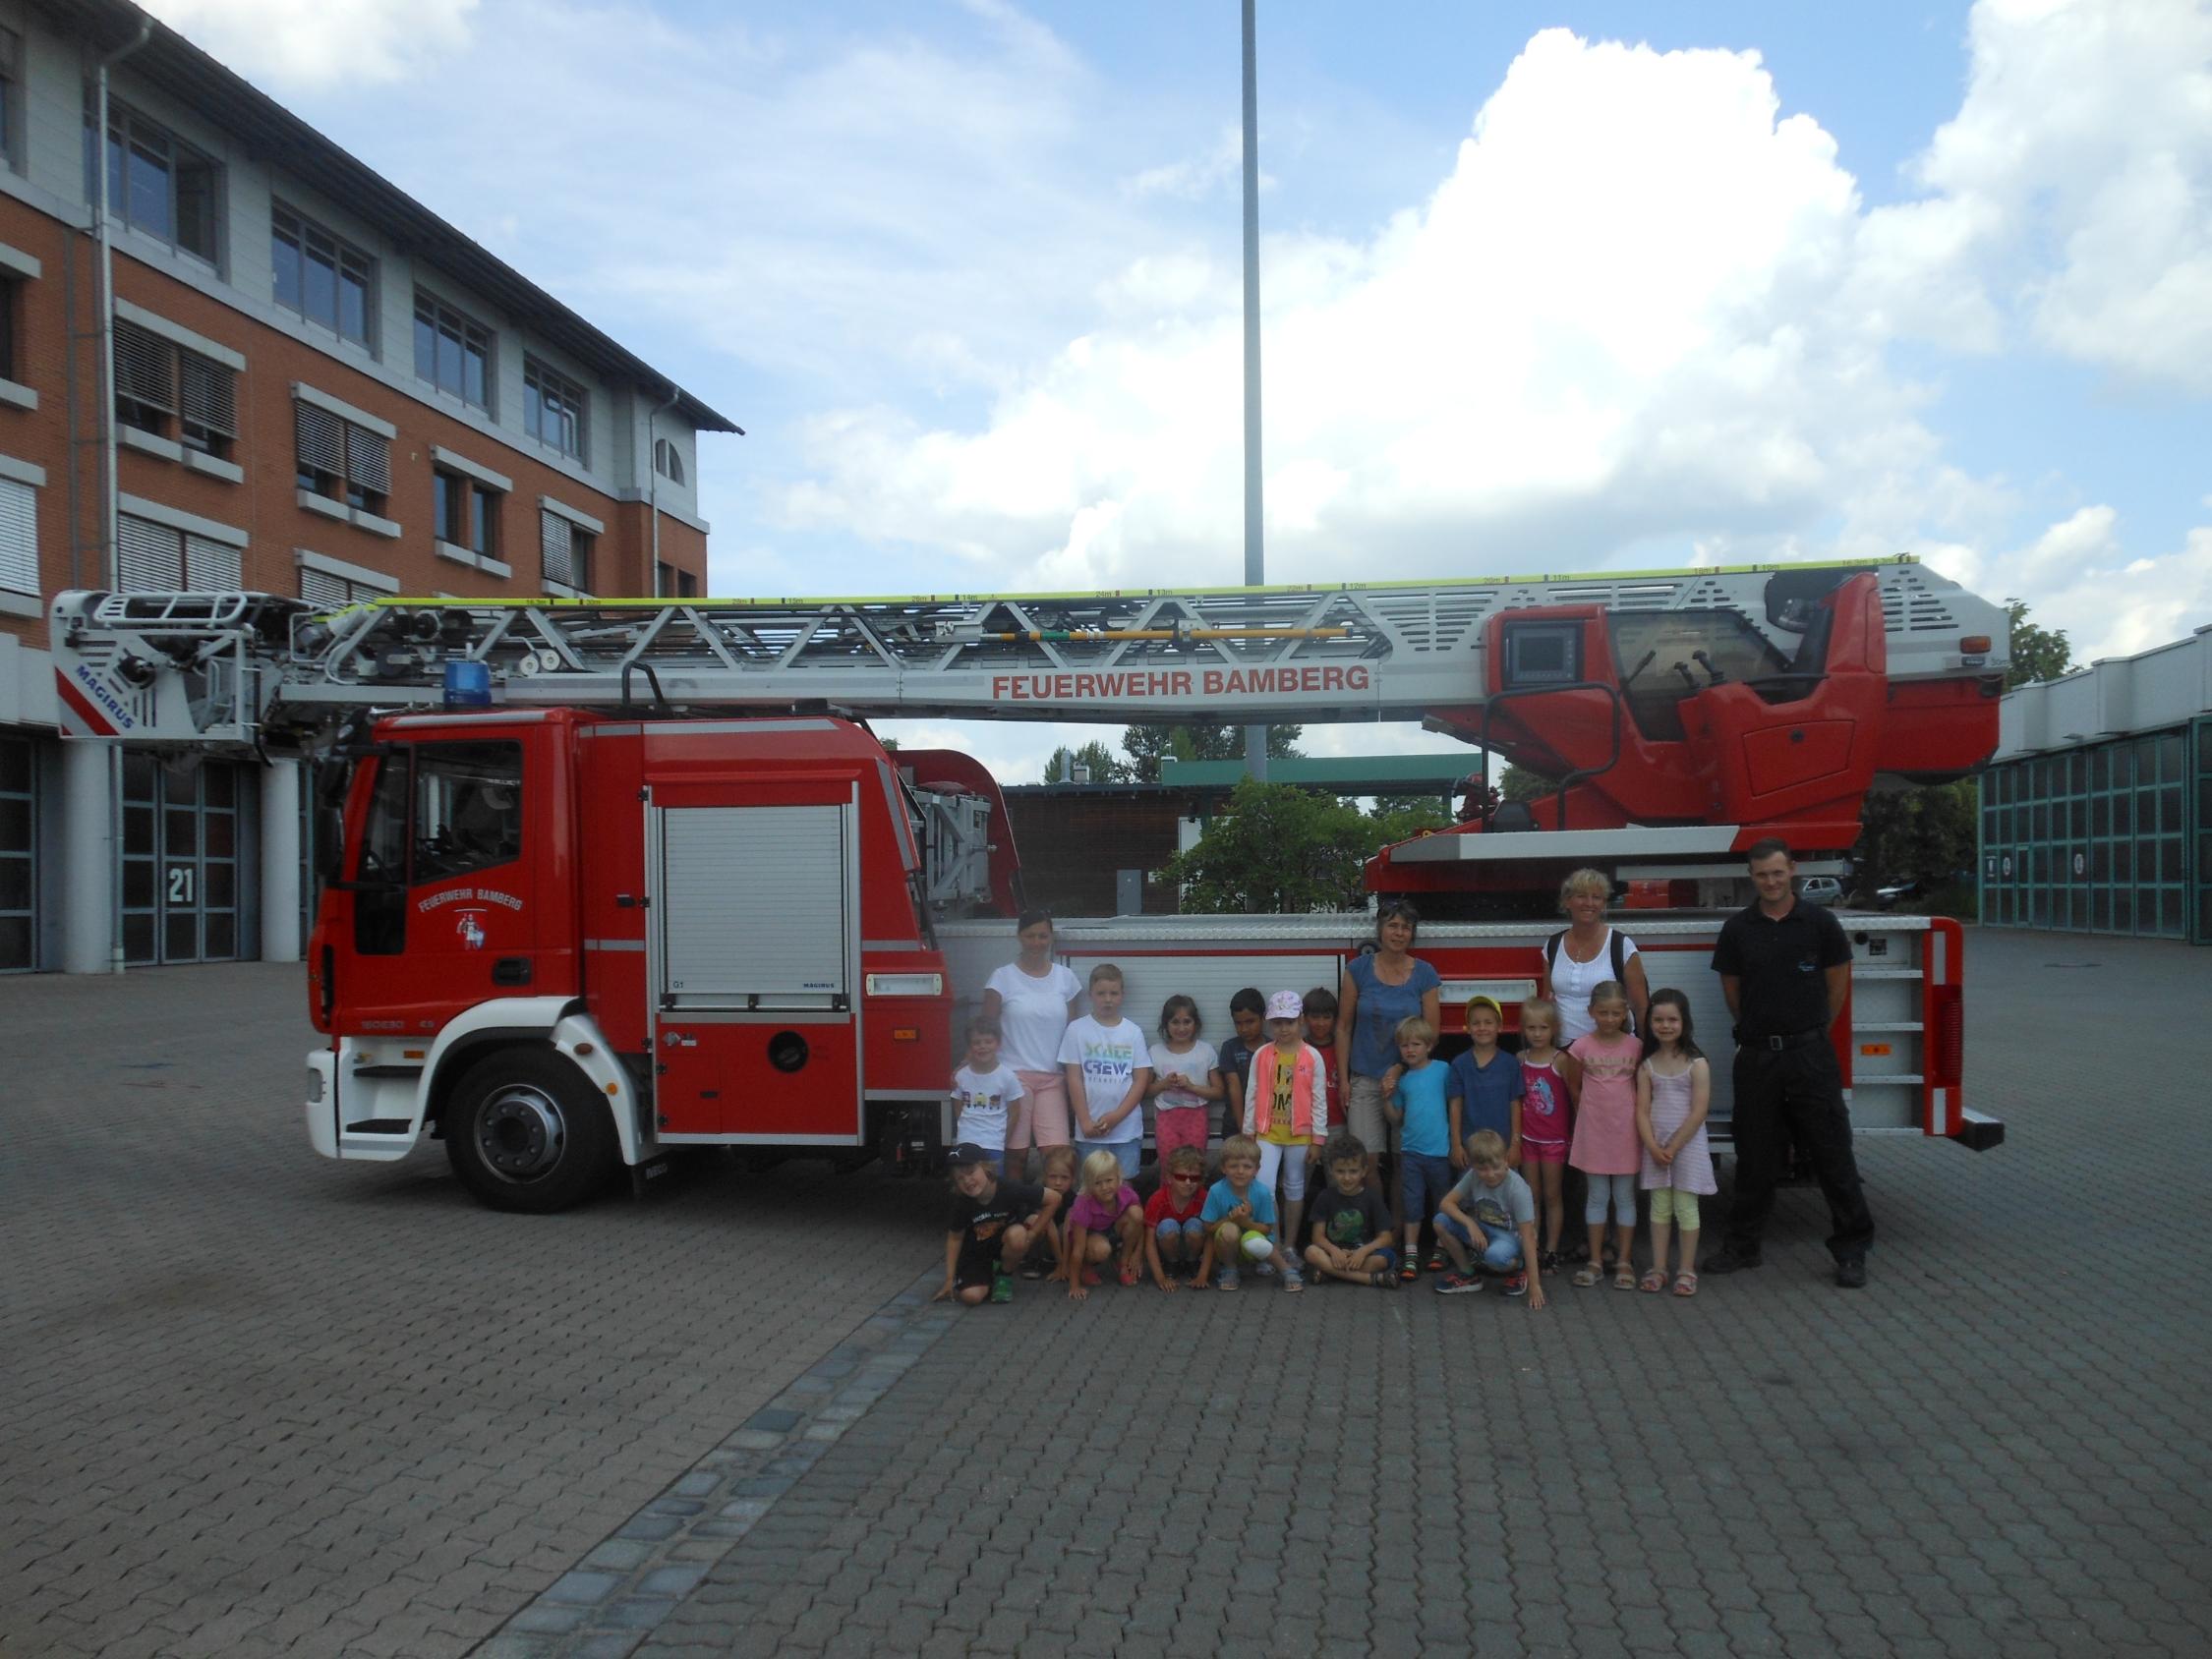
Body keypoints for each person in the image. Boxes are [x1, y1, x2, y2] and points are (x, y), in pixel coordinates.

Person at [1705, 838, 1875, 1288]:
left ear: (1792, 870)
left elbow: (1836, 989)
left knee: (1832, 1153)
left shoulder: (1820, 924)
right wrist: (1763, 1032)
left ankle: (1852, 1250)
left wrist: (1807, 1032)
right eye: (1762, 874)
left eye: (1778, 872)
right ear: (1751, 876)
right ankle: (1743, 1248)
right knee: (1755, 1158)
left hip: (1810, 1055)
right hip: (1759, 1055)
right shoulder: (1738, 929)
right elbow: (1732, 993)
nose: (1771, 881)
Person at [1337, 901, 1442, 1222]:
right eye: (1393, 925)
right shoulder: (1358, 970)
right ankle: (1378, 1225)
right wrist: (1343, 1079)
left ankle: (1398, 1232)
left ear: (1412, 933)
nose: (1399, 932)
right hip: (1365, 1079)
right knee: (1365, 1162)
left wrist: (1400, 1067)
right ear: (1380, 929)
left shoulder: (1424, 973)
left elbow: (1432, 1032)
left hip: (1407, 1082)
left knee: (1403, 1162)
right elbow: (1343, 1027)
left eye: (1405, 927)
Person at [982, 910, 1083, 1179]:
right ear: (1019, 937)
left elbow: (1072, 1032)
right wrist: (970, 1067)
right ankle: (1015, 1212)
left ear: (1051, 937)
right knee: (1016, 1153)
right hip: (1014, 1078)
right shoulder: (1002, 978)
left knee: (1057, 1154)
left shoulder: (1066, 979)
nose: (1036, 942)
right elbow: (986, 1030)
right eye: (1030, 936)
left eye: (1042, 936)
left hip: (1052, 1077)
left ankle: (1050, 1215)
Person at [1245, 991, 1328, 1291]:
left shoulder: (1311, 1056)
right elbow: (1252, 1093)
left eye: (1289, 1021)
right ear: (1270, 1024)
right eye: (1278, 1022)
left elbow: (1319, 1099)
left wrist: (1318, 1138)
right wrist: (1248, 1133)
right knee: (1265, 1188)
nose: (1283, 1028)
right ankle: (1271, 1245)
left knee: (1295, 1188)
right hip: (1267, 1132)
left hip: (1300, 1133)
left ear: (1301, 1021)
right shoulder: (1263, 1054)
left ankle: (1290, 1245)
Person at [1636, 988, 1716, 1297]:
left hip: (1687, 1147)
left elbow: (1699, 1111)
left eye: (1672, 1019)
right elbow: (1641, 1110)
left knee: (1686, 1208)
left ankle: (1686, 1270)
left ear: (1685, 1022)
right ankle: (1658, 1268)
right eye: (1658, 1020)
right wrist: (1653, 1147)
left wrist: (1673, 1147)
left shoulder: (1697, 1064)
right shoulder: (1647, 1065)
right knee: (1659, 1208)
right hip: (1656, 1147)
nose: (1665, 1026)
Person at [1567, 981, 1642, 1289]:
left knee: (1624, 1197)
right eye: (1603, 1013)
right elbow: (1573, 1085)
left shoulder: (1635, 1047)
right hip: (1594, 1133)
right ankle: (1595, 1260)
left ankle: (1624, 1260)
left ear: (1625, 1012)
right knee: (1597, 1196)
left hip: (1626, 1133)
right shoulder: (1581, 1047)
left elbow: (1641, 1087)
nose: (1609, 1019)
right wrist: (1586, 1115)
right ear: (1591, 1012)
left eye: (1615, 1013)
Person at [1430, 1130, 1547, 1309]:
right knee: (1441, 1221)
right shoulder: (1473, 1176)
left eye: (1496, 1167)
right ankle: (1468, 1274)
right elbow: (1446, 1203)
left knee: (1494, 1257)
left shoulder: (1518, 1189)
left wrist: (1535, 1285)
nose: (1490, 1174)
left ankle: (1519, 1268)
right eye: (1482, 1169)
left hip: (1511, 1236)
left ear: (1506, 1161)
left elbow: (1529, 1236)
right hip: (1483, 1228)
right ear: (1473, 1167)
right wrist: (1469, 1223)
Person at [933, 1142, 1060, 1306]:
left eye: (971, 1172)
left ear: (986, 1168)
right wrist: (949, 1279)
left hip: (1005, 1242)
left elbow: (1054, 1199)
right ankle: (989, 1275)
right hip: (976, 1253)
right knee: (971, 1298)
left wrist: (1033, 1234)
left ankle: (1004, 1275)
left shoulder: (1009, 1188)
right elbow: (955, 1239)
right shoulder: (962, 1202)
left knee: (1020, 1234)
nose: (967, 1181)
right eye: (960, 1178)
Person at [1057, 963, 1152, 1178]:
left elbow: (1140, 1080)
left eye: (1113, 993)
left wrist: (1117, 1116)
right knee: (1091, 1187)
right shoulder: (1076, 1030)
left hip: (1126, 1131)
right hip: (1089, 1132)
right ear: (1091, 994)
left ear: (1122, 995)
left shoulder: (1133, 1032)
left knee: (1124, 1186)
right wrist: (1084, 1121)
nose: (1108, 999)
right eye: (1101, 993)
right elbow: (1073, 1078)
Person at [1379, 1015, 1452, 1285]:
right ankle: (1411, 1253)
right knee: (1412, 1204)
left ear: (1430, 1046)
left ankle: (1442, 1248)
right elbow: (1395, 1118)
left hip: (1440, 1152)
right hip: (1411, 1152)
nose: (1410, 1050)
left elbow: (1454, 1104)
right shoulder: (1404, 1081)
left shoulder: (1443, 1070)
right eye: (1405, 1045)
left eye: (1416, 1044)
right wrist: (1385, 1098)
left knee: (1442, 1203)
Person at [1541, 869, 1651, 1045]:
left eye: (1597, 897)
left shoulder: (1621, 946)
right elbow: (1546, 1004)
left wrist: (1647, 1052)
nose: (1589, 903)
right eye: (1581, 896)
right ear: (1567, 901)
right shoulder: (1552, 946)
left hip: (1612, 1054)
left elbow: (1641, 1007)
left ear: (1604, 904)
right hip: (1563, 1052)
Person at [1515, 998, 1576, 1272]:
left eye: (1543, 1028)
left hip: (1554, 1141)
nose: (1537, 1034)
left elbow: (1575, 1098)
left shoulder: (1560, 1060)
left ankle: (1551, 1249)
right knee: (1531, 1195)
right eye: (1531, 1028)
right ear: (1523, 1029)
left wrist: (1575, 1135)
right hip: (1528, 1139)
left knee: (1553, 1195)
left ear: (1554, 1028)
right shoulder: (1521, 1059)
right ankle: (1533, 1247)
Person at [1303, 1133, 1398, 1287]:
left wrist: (1363, 1251)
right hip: (1335, 1253)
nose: (1347, 1178)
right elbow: (1317, 1237)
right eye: (1340, 1171)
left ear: (1364, 1171)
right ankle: (1369, 1279)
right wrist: (1334, 1251)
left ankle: (1329, 1272)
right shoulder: (1325, 1196)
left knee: (1383, 1259)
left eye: (1353, 1171)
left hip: (1363, 1254)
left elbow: (1386, 1238)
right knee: (1311, 1252)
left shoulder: (1372, 1197)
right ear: (1331, 1170)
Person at [1447, 995, 1524, 1172]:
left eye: (1488, 1022)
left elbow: (1515, 1105)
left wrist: (1515, 1144)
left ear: (1500, 1027)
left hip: (1503, 1149)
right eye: (1476, 1023)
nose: (1482, 1028)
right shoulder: (1459, 1064)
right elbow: (1455, 1106)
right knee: (1469, 1197)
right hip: (1471, 1150)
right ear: (1468, 1028)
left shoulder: (1510, 1064)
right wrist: (1456, 1145)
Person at [1196, 1134, 1279, 1291]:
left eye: (1247, 1167)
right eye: (1234, 1166)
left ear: (1257, 1169)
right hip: (1227, 1245)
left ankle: (1260, 1260)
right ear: (1223, 1167)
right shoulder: (1216, 1191)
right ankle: (1230, 1268)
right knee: (1229, 1230)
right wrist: (1231, 1219)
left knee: (1256, 1241)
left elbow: (1267, 1229)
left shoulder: (1262, 1192)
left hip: (1252, 1243)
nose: (1240, 1171)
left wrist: (1245, 1222)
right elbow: (1208, 1229)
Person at [1147, 995, 1221, 1170]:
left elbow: (1219, 1091)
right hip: (1166, 1118)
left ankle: (1196, 1197)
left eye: (1187, 1021)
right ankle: (1167, 1197)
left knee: (1195, 1167)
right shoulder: (1155, 1052)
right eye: (1175, 1022)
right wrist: (1163, 1084)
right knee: (1168, 1166)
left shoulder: (1205, 1051)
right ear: (1166, 1024)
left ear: (1196, 1023)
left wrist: (1191, 1087)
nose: (1181, 1028)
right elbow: (1144, 1091)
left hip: (1196, 1116)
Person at [1065, 1150, 1144, 1299]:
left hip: (1113, 1231)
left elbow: (1141, 1225)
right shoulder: (1083, 1203)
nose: (1105, 1187)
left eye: (1109, 1181)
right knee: (1101, 1249)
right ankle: (1085, 1266)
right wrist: (1074, 1286)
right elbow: (1078, 1248)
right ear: (1088, 1184)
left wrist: (1137, 1254)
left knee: (1137, 1213)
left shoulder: (1128, 1194)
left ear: (1118, 1177)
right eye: (1097, 1183)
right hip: (1089, 1238)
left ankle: (1123, 1262)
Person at [950, 1017, 1024, 1173]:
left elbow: (1015, 1113)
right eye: (977, 1043)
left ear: (998, 1044)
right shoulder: (961, 1076)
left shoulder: (1007, 1077)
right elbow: (958, 1109)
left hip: (994, 1143)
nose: (982, 1047)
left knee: (993, 1187)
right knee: (966, 1183)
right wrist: (966, 1131)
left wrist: (1002, 1139)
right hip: (966, 1141)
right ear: (970, 1047)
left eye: (988, 1041)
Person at [1143, 1144, 1210, 1290]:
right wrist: (1160, 1278)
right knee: (1168, 1226)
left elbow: (1211, 1237)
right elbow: (1149, 1241)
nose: (1187, 1182)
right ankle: (1171, 1263)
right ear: (1169, 1177)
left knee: (1195, 1226)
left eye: (1194, 1178)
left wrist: (1203, 1275)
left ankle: (1192, 1262)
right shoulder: (1158, 1199)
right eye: (1181, 1177)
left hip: (1193, 1244)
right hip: (1167, 1244)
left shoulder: (1204, 1198)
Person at [1216, 988, 1266, 1144]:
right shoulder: (1230, 1048)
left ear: (1263, 1018)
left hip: (1268, 1126)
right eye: (1238, 1023)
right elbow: (1234, 1088)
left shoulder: (1273, 1047)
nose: (1244, 1029)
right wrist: (1243, 1127)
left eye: (1250, 1022)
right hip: (1235, 1124)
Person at [1021, 1145, 1078, 1281]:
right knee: (1036, 1221)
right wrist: (1061, 1264)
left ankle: (1056, 1258)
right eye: (1053, 1177)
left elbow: (1066, 1230)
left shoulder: (1072, 1197)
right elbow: (1049, 1225)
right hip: (1035, 1235)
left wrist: (1064, 1265)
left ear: (1073, 1180)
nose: (1058, 1183)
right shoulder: (1039, 1193)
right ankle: (1032, 1259)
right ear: (1045, 1176)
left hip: (1056, 1239)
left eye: (1064, 1178)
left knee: (1073, 1225)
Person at [1302, 986, 1341, 1130]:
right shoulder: (1299, 1048)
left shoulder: (1341, 1049)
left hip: (1338, 1122)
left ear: (1335, 1019)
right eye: (1315, 1017)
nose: (1321, 1023)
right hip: (1307, 1125)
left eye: (1326, 1017)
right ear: (1304, 1018)